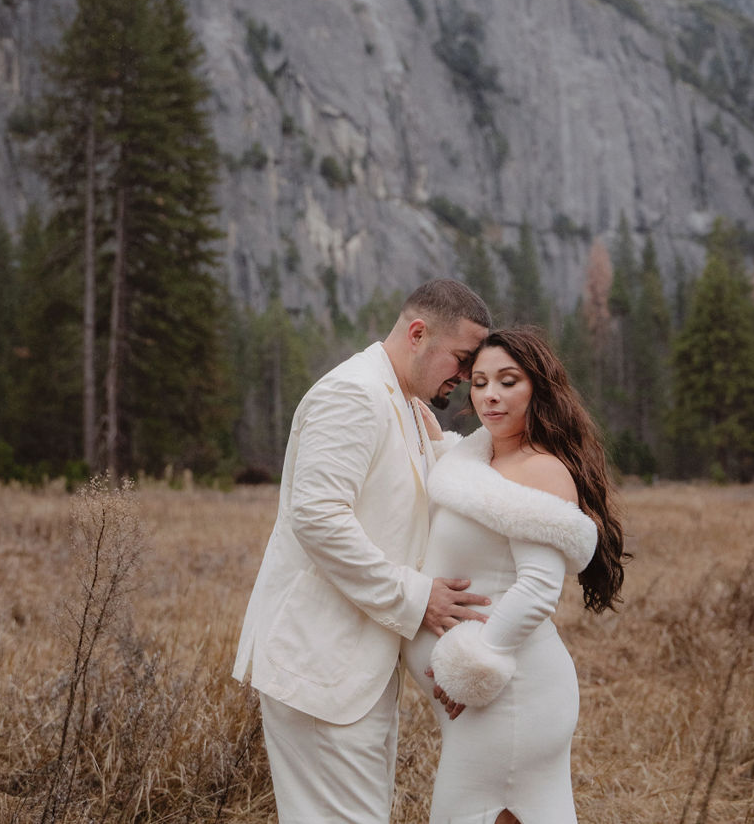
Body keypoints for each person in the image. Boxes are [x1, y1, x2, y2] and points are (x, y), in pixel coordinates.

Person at [232, 278, 493, 824]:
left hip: (361, 670)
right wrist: (417, 597)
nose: (467, 378)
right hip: (321, 667)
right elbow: (318, 517)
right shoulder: (352, 393)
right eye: (463, 359)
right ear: (418, 334)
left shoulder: (407, 404)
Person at [404, 326, 627, 824]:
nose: (490, 395)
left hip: (511, 694)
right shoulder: (481, 457)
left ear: (538, 388)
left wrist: (471, 665)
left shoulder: (540, 470)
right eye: (479, 382)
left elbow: (538, 588)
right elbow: (469, 497)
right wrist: (435, 444)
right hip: (489, 703)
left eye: (508, 381)